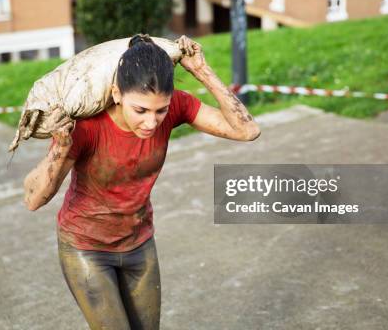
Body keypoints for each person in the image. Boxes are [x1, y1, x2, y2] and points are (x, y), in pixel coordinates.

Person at [24, 34, 260, 329]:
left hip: (139, 243)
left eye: (160, 111)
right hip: (86, 248)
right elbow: (33, 199)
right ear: (116, 94)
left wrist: (201, 70)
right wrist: (60, 147)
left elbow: (247, 131)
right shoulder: (86, 129)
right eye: (140, 110)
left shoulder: (177, 107)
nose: (151, 122)